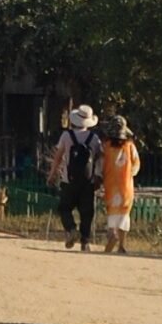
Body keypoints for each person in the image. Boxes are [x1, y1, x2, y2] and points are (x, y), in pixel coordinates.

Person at [48, 105, 100, 252]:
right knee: (87, 212)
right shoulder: (94, 139)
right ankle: (85, 242)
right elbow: (100, 158)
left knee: (64, 208)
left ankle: (71, 229)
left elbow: (58, 158)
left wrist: (52, 175)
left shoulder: (66, 136)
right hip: (87, 182)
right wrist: (98, 177)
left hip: (68, 180)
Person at [100, 115, 140, 254]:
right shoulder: (130, 147)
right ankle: (121, 245)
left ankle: (112, 235)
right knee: (124, 215)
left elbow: (101, 166)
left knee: (112, 213)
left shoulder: (105, 147)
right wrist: (129, 174)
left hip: (110, 185)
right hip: (126, 187)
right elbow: (136, 165)